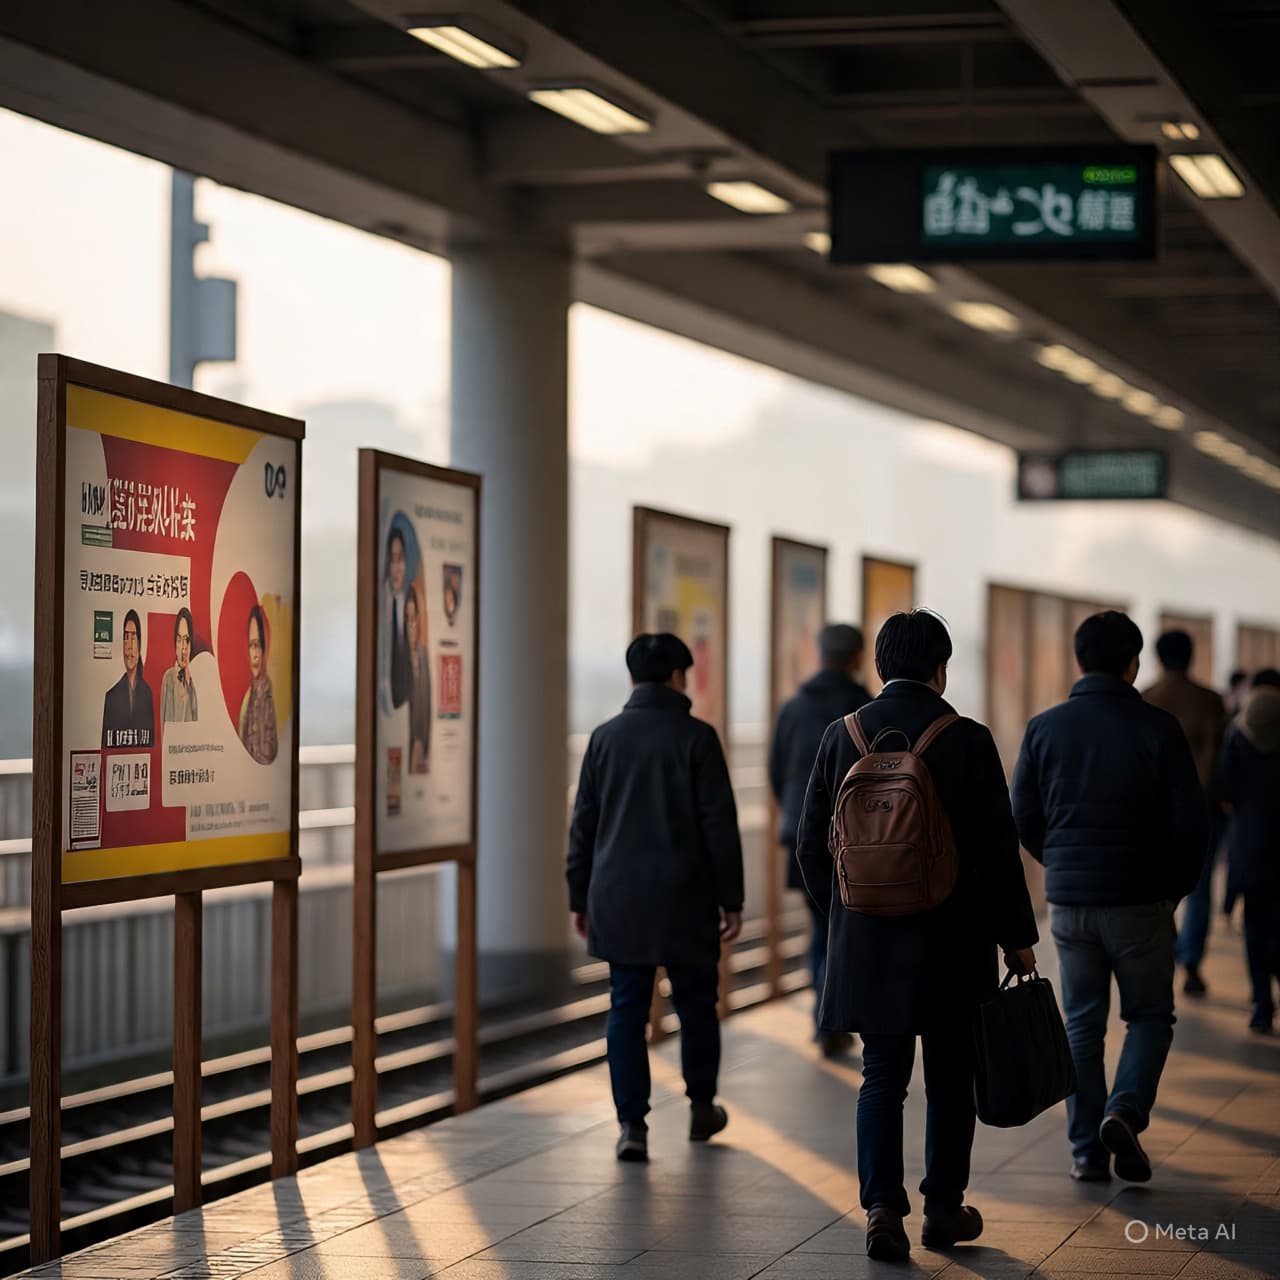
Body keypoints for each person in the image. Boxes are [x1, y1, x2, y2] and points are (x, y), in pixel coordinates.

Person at [796, 610, 1038, 1263]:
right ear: (941, 668)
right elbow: (997, 851)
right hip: (951, 942)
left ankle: (881, 1209)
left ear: (880, 666)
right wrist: (1016, 935)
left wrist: (848, 915)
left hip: (869, 943)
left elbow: (811, 846)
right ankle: (942, 1209)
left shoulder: (841, 735)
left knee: (881, 1075)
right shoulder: (967, 739)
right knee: (952, 1076)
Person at [1012, 611, 1206, 1186]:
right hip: (1141, 899)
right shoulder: (1159, 728)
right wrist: (1174, 889)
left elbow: (1023, 816)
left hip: (1071, 902)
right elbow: (1190, 824)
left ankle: (1085, 1153)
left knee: (1081, 1025)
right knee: (1149, 1015)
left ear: (1079, 661)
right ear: (1133, 664)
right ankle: (1124, 1110)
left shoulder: (1044, 729)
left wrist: (1063, 866)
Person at [567, 633, 744, 1164]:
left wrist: (579, 894)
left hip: (618, 896)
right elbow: (719, 825)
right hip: (686, 897)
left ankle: (632, 1125)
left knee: (626, 1007)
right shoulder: (698, 738)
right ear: (676, 677)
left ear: (632, 678)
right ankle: (701, 1107)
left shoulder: (604, 739)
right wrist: (731, 899)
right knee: (696, 1004)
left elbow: (584, 824)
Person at [768, 622, 871, 1056]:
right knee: (851, 927)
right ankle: (836, 1019)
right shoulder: (864, 708)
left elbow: (776, 770)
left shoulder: (793, 708)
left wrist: (800, 817)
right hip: (857, 840)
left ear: (820, 654)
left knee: (821, 926)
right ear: (858, 658)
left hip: (803, 836)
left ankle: (825, 1018)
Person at [1143, 630, 1229, 997]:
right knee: (1200, 888)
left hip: (1153, 813)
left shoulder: (1145, 698)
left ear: (1157, 658)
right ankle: (1191, 961)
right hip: (1202, 810)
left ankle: (1165, 950)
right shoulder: (1210, 701)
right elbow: (1219, 758)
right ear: (1191, 657)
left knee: (1153, 887)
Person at [1219, 669, 1280, 1033]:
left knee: (1254, 926)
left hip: (1250, 843)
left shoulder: (1238, 732)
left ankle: (1261, 1004)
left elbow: (1225, 789)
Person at [101, 608, 155, 749]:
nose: (129, 646)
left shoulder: (148, 694)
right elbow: (106, 749)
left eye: (134, 637)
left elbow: (151, 745)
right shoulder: (111, 696)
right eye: (126, 637)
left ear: (140, 644)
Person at [239, 605, 278, 765]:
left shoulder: (267, 692)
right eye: (251, 645)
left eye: (258, 645)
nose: (255, 653)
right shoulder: (249, 694)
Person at [405, 587, 431, 774]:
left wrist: (420, 742)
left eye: (413, 619)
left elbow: (426, 702)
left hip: (420, 746)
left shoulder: (424, 656)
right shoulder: (397, 662)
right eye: (407, 620)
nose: (411, 627)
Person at [385, 525, 410, 709]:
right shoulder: (383, 606)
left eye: (400, 559)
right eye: (392, 560)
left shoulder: (412, 604)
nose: (396, 568)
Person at [160, 608, 199, 724]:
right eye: (179, 640)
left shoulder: (196, 682)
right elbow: (164, 726)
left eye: (187, 640)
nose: (183, 648)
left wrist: (189, 680)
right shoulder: (168, 678)